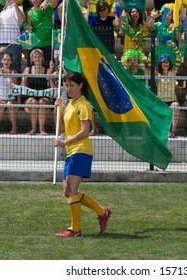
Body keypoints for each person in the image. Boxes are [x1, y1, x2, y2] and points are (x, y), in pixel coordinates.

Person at [53, 72, 111, 237]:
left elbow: (85, 131)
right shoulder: (70, 104)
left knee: (72, 190)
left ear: (80, 86)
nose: (69, 88)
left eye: (72, 85)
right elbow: (61, 129)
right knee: (67, 191)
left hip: (81, 150)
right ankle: (102, 212)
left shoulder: (84, 104)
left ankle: (75, 229)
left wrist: (64, 142)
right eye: (67, 85)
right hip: (71, 151)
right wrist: (58, 109)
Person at [21, 48, 51, 135]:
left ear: (42, 58)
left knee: (41, 102)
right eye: (35, 56)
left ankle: (42, 130)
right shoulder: (27, 70)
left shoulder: (47, 70)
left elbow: (51, 85)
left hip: (43, 97)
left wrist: (51, 73)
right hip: (30, 97)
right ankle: (33, 129)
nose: (37, 58)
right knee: (33, 102)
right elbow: (23, 85)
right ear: (32, 59)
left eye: (39, 56)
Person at [22, 0, 59, 68]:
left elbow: (55, 1)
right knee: (32, 69)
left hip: (47, 44)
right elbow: (27, 29)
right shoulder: (28, 12)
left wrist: (46, 1)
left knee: (48, 68)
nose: (35, 0)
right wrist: (29, 19)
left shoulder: (48, 7)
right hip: (33, 45)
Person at [0, 47, 19, 134]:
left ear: (11, 62)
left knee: (9, 105)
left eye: (8, 60)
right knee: (1, 104)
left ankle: (14, 128)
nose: (6, 62)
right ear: (2, 61)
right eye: (4, 60)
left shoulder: (14, 72)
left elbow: (15, 87)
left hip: (11, 98)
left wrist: (11, 79)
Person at [0, 0, 25, 73]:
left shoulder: (18, 8)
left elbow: (22, 20)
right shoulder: (2, 11)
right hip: (0, 43)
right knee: (0, 70)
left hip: (13, 43)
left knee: (14, 71)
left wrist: (15, 5)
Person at [155, 52, 181, 138]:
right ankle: (159, 131)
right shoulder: (156, 73)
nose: (166, 64)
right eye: (163, 62)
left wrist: (174, 46)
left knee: (176, 106)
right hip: (160, 100)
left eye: (167, 62)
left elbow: (179, 58)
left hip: (172, 99)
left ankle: (173, 131)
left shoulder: (173, 71)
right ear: (160, 63)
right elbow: (148, 61)